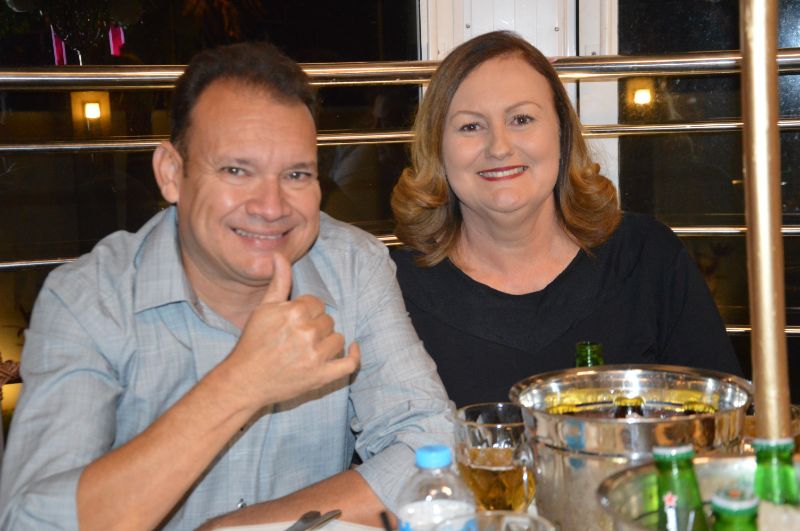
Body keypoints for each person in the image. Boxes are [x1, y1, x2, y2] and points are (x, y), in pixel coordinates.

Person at [0, 42, 452, 530]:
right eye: (237, 170)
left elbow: (433, 446)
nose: (271, 206)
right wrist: (240, 384)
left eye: (296, 174)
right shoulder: (88, 300)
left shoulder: (354, 266)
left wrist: (235, 528)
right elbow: (35, 524)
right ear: (172, 174)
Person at [390, 31, 742, 408]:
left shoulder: (648, 258)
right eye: (470, 126)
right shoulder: (391, 291)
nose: (499, 147)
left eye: (521, 119)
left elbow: (725, 422)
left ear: (562, 132)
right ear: (438, 148)